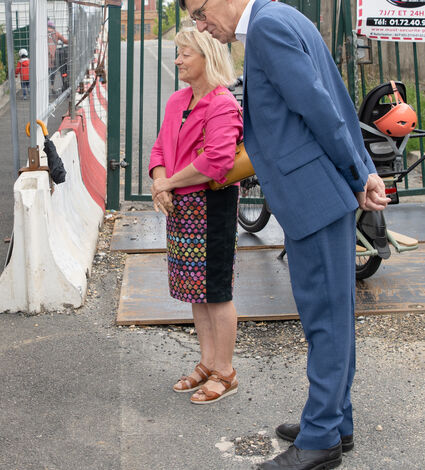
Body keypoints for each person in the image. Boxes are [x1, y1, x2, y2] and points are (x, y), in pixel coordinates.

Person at [181, 0, 389, 467]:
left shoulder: (268, 28)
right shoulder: (282, 16)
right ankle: (336, 421)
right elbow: (334, 95)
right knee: (332, 315)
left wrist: (360, 174)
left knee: (325, 320)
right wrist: (361, 169)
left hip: (313, 196)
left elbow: (320, 107)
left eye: (200, 12)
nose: (202, 26)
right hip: (319, 192)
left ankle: (320, 439)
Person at [149, 29, 243, 405]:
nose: (178, 60)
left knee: (216, 291)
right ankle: (207, 362)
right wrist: (160, 183)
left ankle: (226, 371)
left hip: (211, 205)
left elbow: (217, 160)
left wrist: (168, 183)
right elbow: (160, 147)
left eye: (185, 54)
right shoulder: (178, 100)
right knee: (196, 290)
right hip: (180, 206)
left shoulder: (222, 104)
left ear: (206, 56)